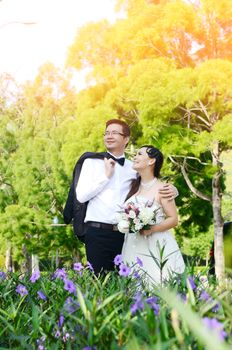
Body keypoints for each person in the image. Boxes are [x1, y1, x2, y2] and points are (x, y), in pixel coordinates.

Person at [76, 119, 178, 274]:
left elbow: (151, 184)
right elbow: (81, 196)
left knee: (125, 284)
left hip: (126, 236)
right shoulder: (91, 162)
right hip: (97, 232)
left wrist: (173, 190)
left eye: (115, 133)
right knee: (99, 283)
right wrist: (105, 177)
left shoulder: (134, 167)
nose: (109, 136)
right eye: (107, 133)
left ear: (126, 139)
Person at [121, 145, 185, 285]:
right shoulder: (133, 187)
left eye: (139, 154)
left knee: (157, 284)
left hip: (155, 244)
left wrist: (151, 229)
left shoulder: (163, 188)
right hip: (133, 244)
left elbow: (173, 219)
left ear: (151, 161)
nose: (135, 157)